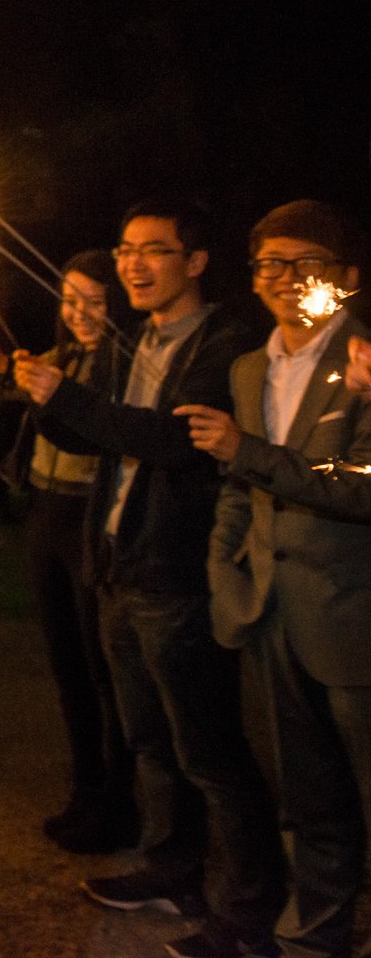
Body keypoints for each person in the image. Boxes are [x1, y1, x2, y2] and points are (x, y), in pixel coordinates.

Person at [16, 198, 283, 956]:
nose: (132, 263)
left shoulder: (224, 343)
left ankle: (247, 907)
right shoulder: (134, 338)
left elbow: (173, 442)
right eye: (126, 248)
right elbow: (92, 432)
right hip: (119, 562)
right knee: (149, 739)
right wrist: (47, 396)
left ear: (196, 263)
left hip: (176, 572)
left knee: (211, 751)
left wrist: (68, 398)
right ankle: (174, 866)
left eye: (154, 250)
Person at [177, 200, 371, 958]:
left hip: (353, 618)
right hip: (270, 615)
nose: (286, 279)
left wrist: (247, 450)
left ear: (348, 279)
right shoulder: (251, 364)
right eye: (270, 265)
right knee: (306, 798)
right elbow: (236, 489)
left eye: (307, 264)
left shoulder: (363, 356)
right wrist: (226, 578)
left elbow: (360, 481)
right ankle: (314, 939)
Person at [0, 250, 140, 849]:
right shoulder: (59, 358)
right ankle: (85, 788)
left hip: (85, 518)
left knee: (102, 669)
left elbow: (95, 435)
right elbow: (3, 396)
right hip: (44, 513)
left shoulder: (123, 366)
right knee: (67, 667)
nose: (81, 312)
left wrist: (53, 393)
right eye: (70, 299)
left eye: (94, 300)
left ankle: (121, 801)